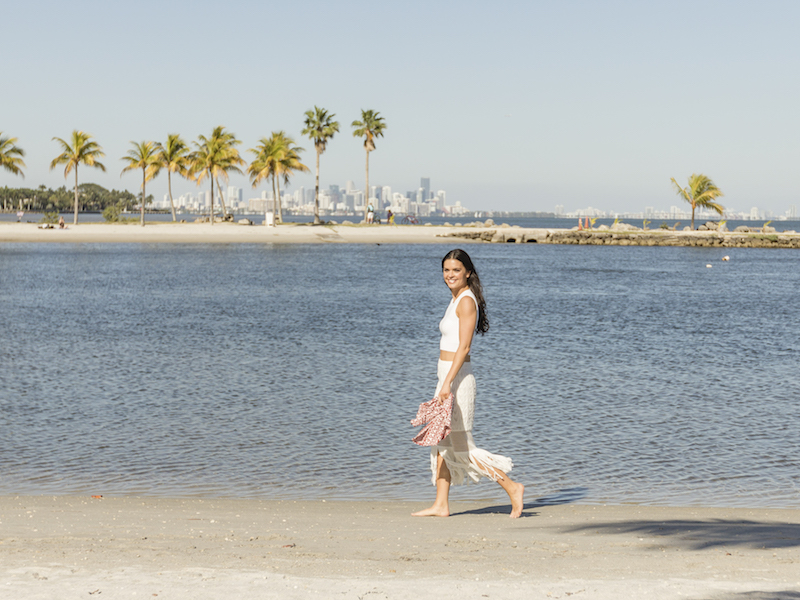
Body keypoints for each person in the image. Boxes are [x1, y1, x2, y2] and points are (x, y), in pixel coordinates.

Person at [412, 249, 525, 518]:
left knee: (463, 448)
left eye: (456, 270)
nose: (450, 275)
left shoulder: (465, 301)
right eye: (446, 270)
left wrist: (447, 383)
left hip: (458, 379)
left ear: (468, 273)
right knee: (441, 441)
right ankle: (441, 504)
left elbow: (464, 347)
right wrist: (444, 380)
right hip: (447, 376)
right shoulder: (455, 299)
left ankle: (512, 487)